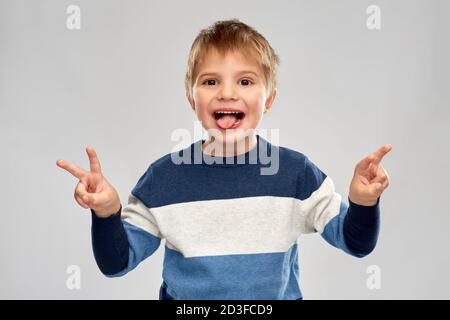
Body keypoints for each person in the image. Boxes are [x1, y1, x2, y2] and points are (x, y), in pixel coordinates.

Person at [56, 19, 392, 300]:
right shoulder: (162, 180)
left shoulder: (296, 174)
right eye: (211, 81)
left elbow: (355, 243)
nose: (227, 92)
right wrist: (106, 211)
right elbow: (116, 263)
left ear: (269, 98)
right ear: (192, 98)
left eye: (245, 81)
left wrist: (363, 201)